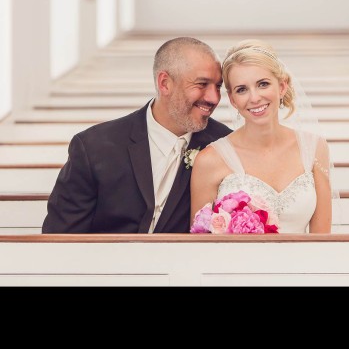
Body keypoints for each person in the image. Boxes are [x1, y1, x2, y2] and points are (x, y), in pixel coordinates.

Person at [42, 37, 232, 233]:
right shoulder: (93, 147)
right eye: (202, 84)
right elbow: (60, 237)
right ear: (165, 83)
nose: (214, 98)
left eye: (218, 86)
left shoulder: (225, 146)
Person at [190, 40, 333, 233]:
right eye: (242, 89)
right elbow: (201, 242)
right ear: (232, 99)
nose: (254, 98)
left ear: (282, 87)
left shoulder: (314, 147)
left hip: (304, 262)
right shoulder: (210, 160)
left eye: (263, 84)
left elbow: (322, 238)